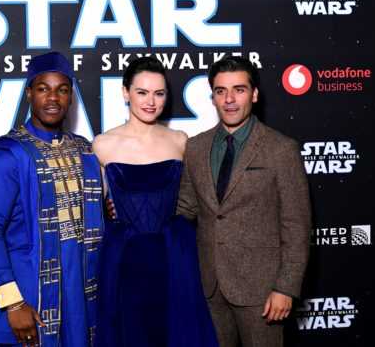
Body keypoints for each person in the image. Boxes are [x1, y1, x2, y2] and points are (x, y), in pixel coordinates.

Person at [177, 56, 312, 347]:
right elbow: (185, 207)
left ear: (254, 94)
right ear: (212, 97)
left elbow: (297, 225)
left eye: (239, 89)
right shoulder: (196, 147)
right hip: (208, 287)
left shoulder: (280, 149)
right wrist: (130, 207)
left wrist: (285, 288)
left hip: (262, 291)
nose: (229, 99)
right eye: (220, 91)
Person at [0, 51, 103, 347]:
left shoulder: (84, 150)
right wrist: (13, 303)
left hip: (82, 291)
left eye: (63, 89)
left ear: (71, 97)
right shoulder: (8, 154)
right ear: (29, 93)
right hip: (31, 291)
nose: (53, 98)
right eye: (43, 89)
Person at [92, 56, 218, 347]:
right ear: (125, 93)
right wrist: (106, 209)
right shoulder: (102, 144)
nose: (151, 101)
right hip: (125, 259)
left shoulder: (180, 140)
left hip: (175, 256)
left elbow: (195, 199)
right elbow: (91, 207)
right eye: (142, 92)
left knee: (177, 333)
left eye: (159, 93)